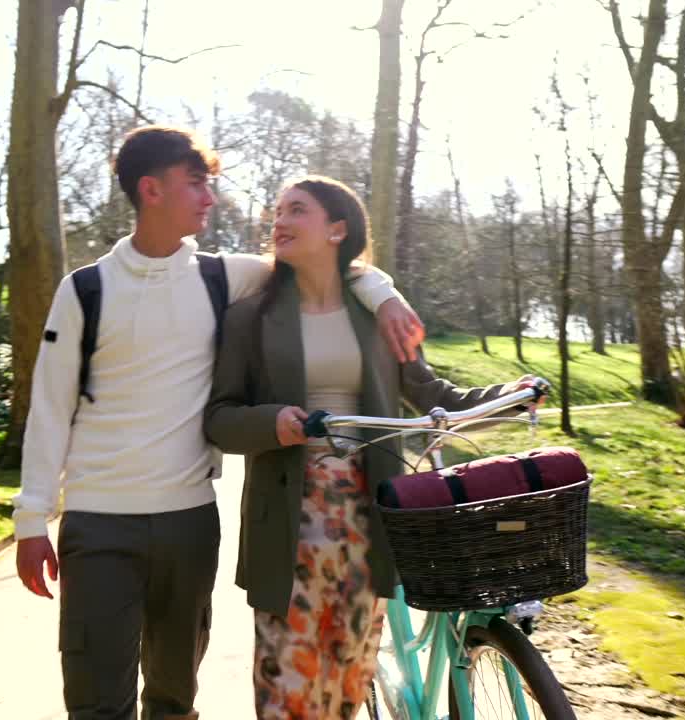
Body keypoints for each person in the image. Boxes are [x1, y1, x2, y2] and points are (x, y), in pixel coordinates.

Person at [11, 128, 425, 720]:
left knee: (174, 699)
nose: (211, 198)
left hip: (189, 524)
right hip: (99, 523)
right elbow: (50, 408)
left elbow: (321, 263)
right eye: (197, 183)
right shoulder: (84, 291)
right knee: (96, 701)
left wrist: (383, 293)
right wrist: (31, 519)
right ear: (152, 189)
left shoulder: (223, 277)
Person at [203, 175, 532, 719]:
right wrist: (274, 423)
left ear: (337, 229)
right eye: (278, 212)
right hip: (291, 522)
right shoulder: (252, 317)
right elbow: (219, 418)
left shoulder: (376, 315)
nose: (279, 222)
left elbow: (435, 397)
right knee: (290, 685)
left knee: (347, 679)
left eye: (296, 210)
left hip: (369, 516)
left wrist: (509, 396)